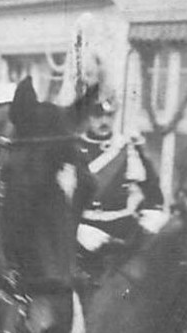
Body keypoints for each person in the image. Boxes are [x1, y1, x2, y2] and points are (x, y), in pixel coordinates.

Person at [72, 89, 168, 281]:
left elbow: (154, 195)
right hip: (80, 238)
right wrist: (76, 229)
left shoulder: (129, 147)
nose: (104, 121)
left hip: (122, 239)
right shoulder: (71, 149)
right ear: (88, 116)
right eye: (98, 115)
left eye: (109, 115)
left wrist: (147, 223)